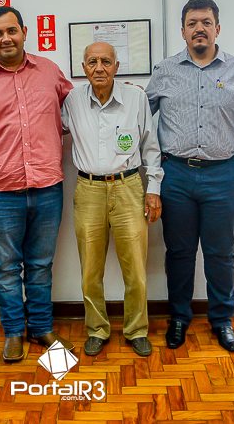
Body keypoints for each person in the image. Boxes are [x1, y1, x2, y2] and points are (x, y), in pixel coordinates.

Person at [146, 0, 234, 352]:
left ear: (217, 28)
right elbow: (140, 119)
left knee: (221, 253)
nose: (199, 28)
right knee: (179, 252)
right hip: (176, 175)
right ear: (182, 30)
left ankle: (221, 319)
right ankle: (179, 317)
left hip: (224, 175)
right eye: (192, 23)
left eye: (206, 22)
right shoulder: (165, 71)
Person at [0, 6, 74, 362]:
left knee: (41, 264)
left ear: (24, 32)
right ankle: (13, 332)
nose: (6, 38)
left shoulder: (50, 72)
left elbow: (80, 110)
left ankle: (41, 328)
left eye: (11, 31)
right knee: (6, 267)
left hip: (47, 188)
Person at [62, 42, 163, 357]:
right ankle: (96, 329)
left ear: (117, 67)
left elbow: (151, 146)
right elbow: (51, 129)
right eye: (92, 61)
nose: (99, 68)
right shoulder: (72, 101)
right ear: (83, 68)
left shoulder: (136, 98)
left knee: (135, 268)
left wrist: (154, 188)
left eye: (106, 61)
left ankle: (136, 330)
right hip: (88, 190)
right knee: (90, 269)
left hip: (128, 187)